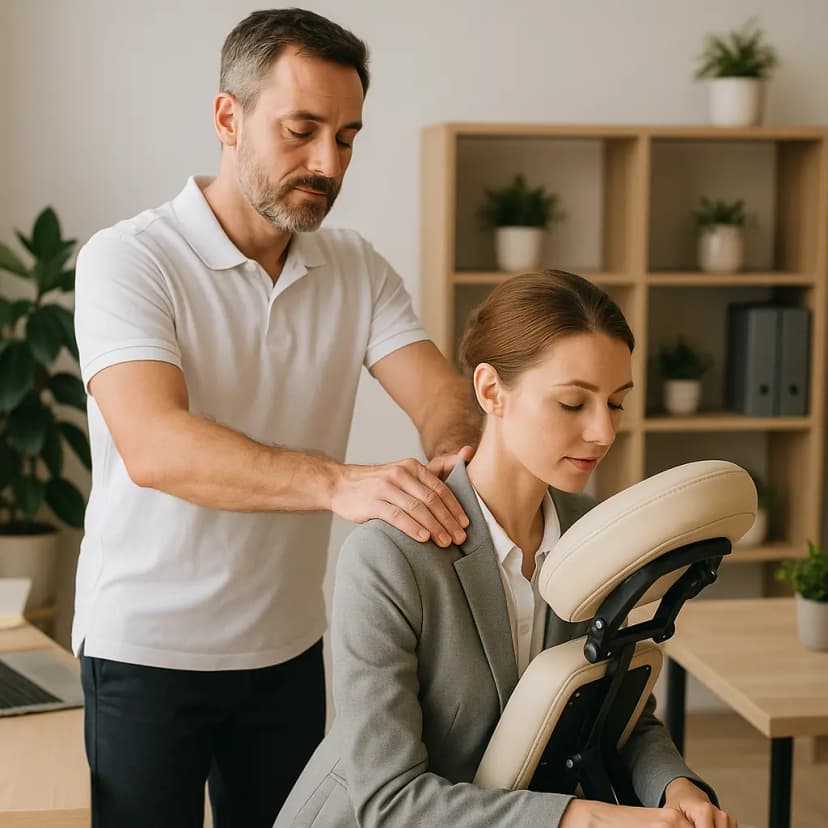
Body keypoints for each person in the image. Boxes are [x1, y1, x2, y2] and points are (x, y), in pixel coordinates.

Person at [71, 8, 481, 828]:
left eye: (348, 137)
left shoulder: (355, 266)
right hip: (144, 651)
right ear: (229, 117)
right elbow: (155, 446)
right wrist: (343, 484)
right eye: (301, 131)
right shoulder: (130, 259)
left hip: (288, 651)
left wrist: (454, 460)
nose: (327, 163)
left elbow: (443, 397)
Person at [275, 270, 738, 828]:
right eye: (573, 403)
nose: (603, 432)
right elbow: (388, 802)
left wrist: (674, 786)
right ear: (491, 390)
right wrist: (585, 820)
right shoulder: (389, 558)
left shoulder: (597, 532)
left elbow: (618, 712)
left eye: (615, 404)